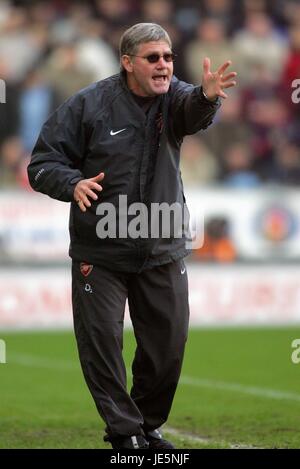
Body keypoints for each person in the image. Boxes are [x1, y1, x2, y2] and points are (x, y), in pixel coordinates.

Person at [27, 23, 236, 449]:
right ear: (127, 63)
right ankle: (124, 435)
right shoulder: (88, 105)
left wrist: (207, 98)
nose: (164, 65)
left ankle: (149, 425)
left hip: (161, 243)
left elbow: (191, 113)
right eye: (153, 58)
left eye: (169, 57)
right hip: (100, 250)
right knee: (102, 343)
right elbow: (43, 163)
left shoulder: (176, 95)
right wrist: (73, 185)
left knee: (168, 345)